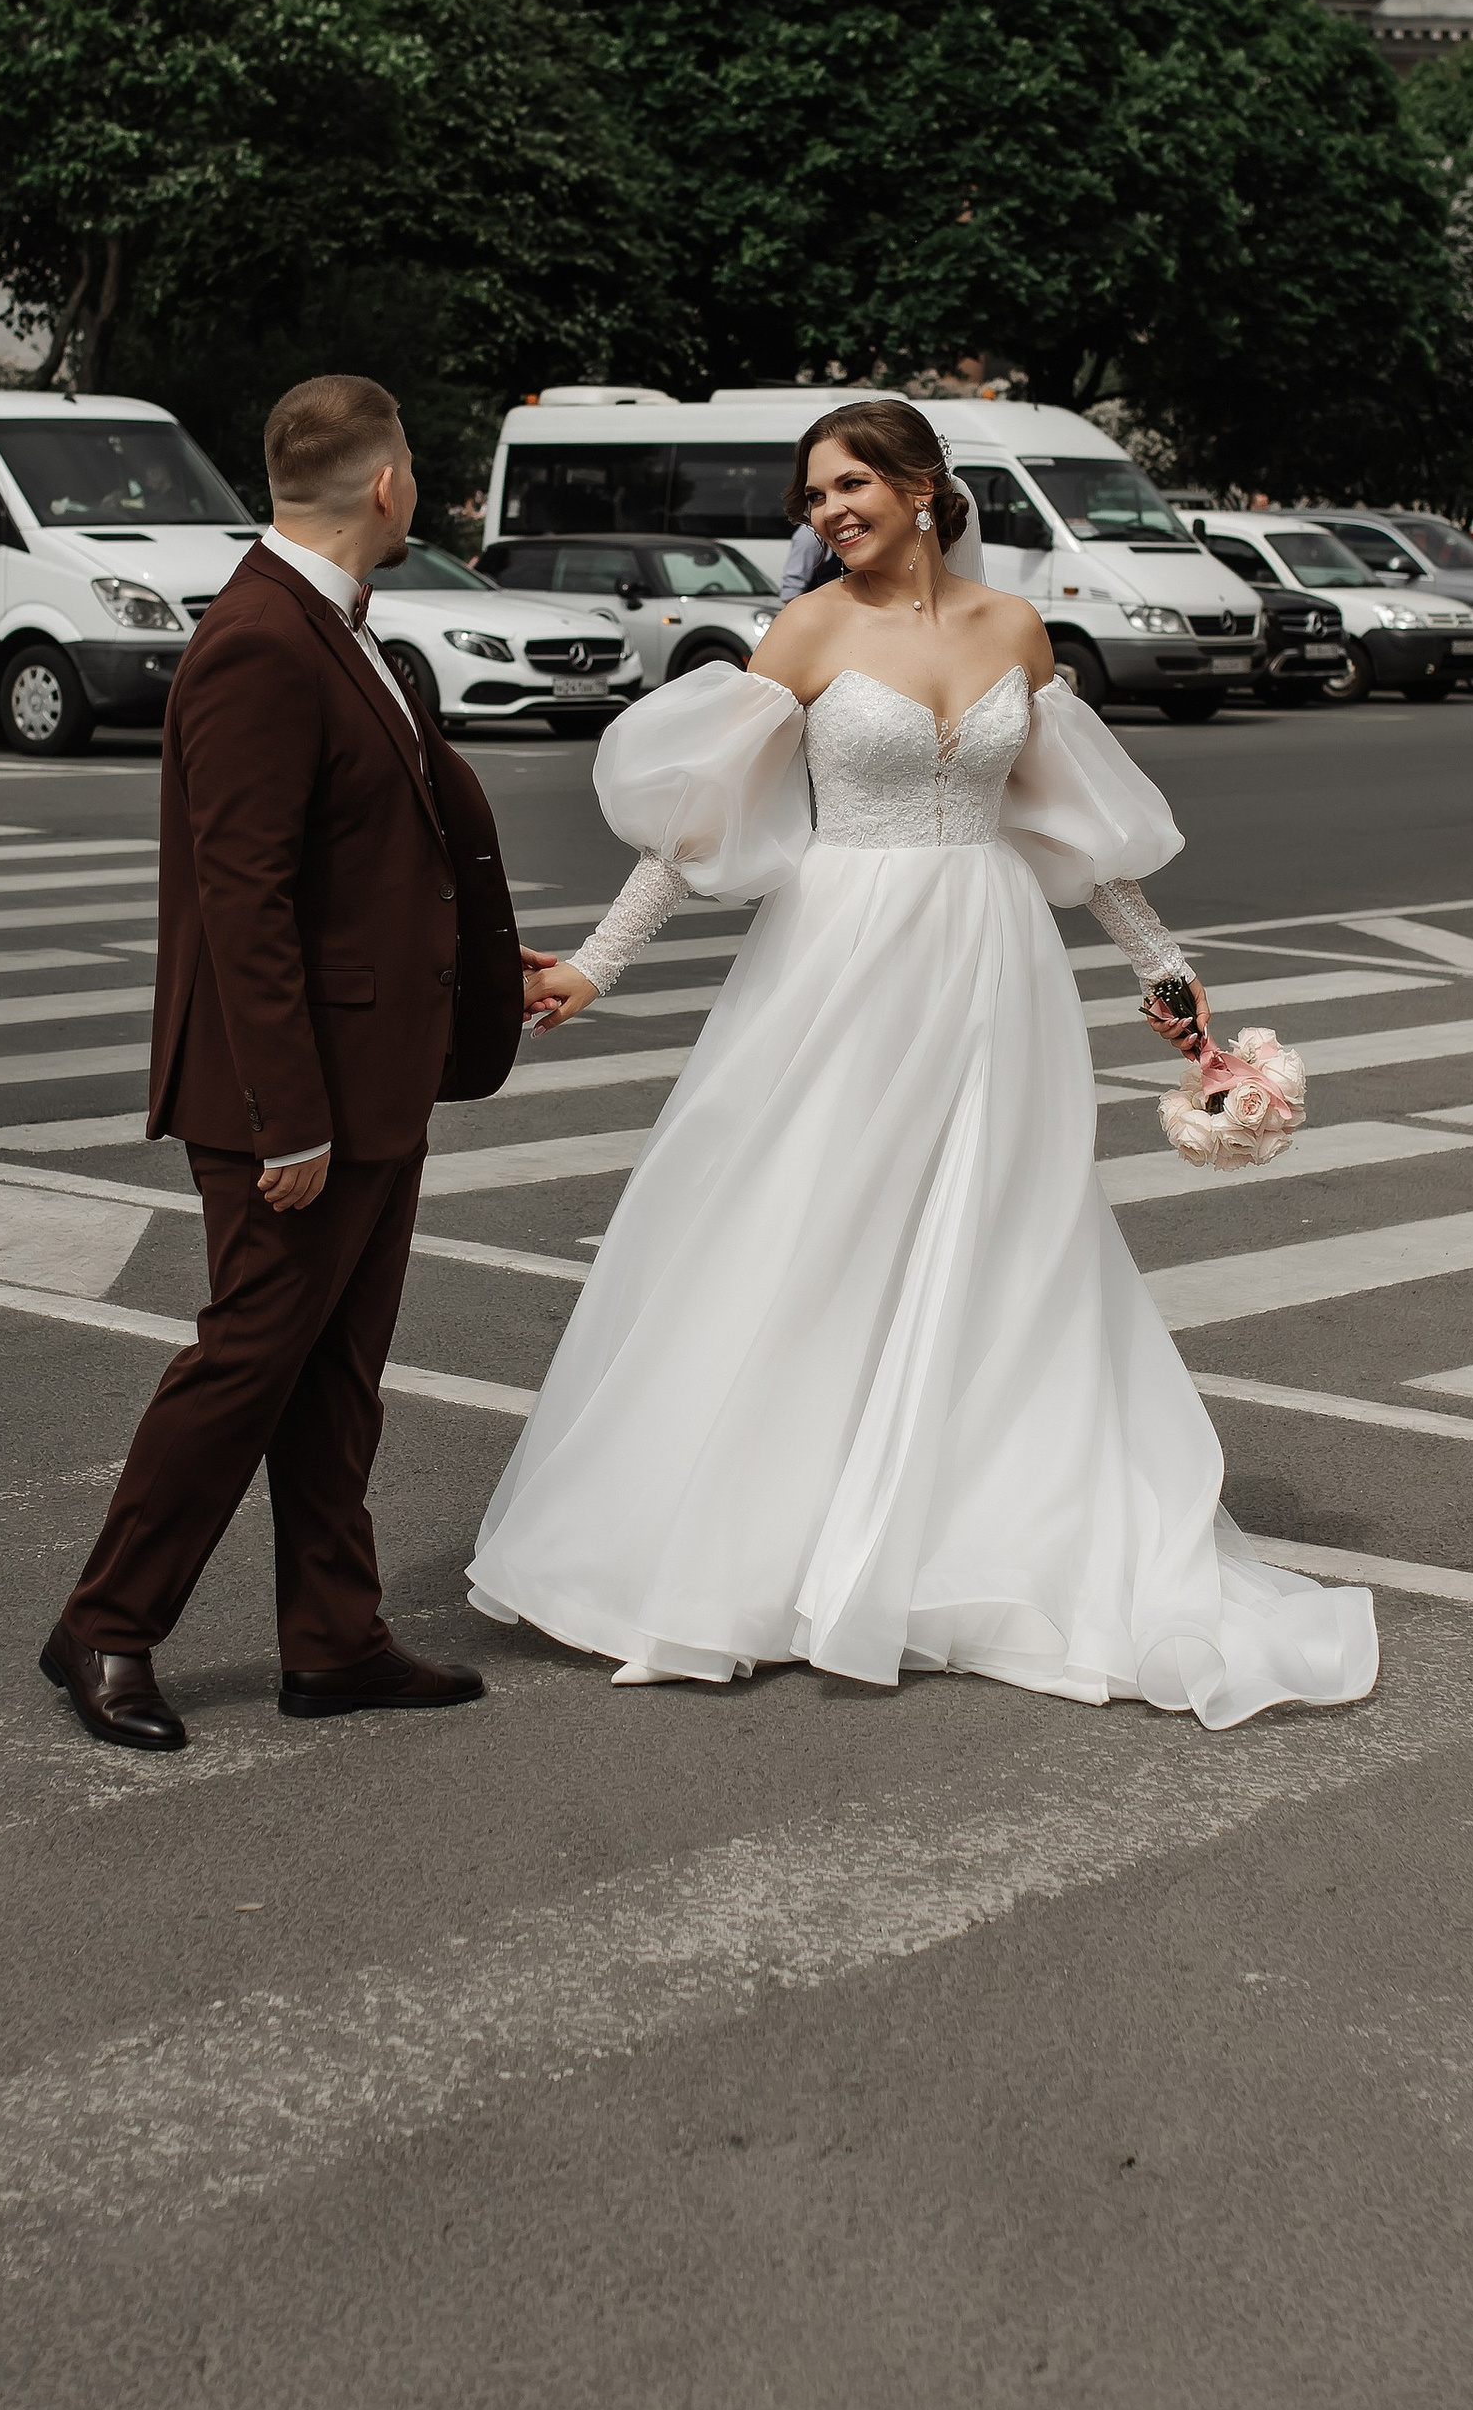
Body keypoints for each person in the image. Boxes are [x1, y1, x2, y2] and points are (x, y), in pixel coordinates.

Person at [478, 396, 1378, 1726]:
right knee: (805, 1223)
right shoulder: (808, 628)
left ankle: (962, 1526)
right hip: (841, 956)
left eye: (849, 487)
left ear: (920, 487)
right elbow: (697, 823)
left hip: (992, 957)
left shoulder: (1015, 629)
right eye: (814, 498)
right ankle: (758, 1537)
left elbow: (1068, 827)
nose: (827, 514)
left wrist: (1168, 979)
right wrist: (595, 967)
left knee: (998, 1236)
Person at [41, 374, 546, 1755]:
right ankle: (106, 1622)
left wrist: (496, 978)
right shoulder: (262, 641)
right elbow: (241, 902)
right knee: (247, 1361)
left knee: (336, 1375)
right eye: (416, 479)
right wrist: (286, 1122)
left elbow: (373, 867)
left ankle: (331, 1636)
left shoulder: (337, 626)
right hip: (294, 1095)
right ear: (387, 488)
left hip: (369, 1073)